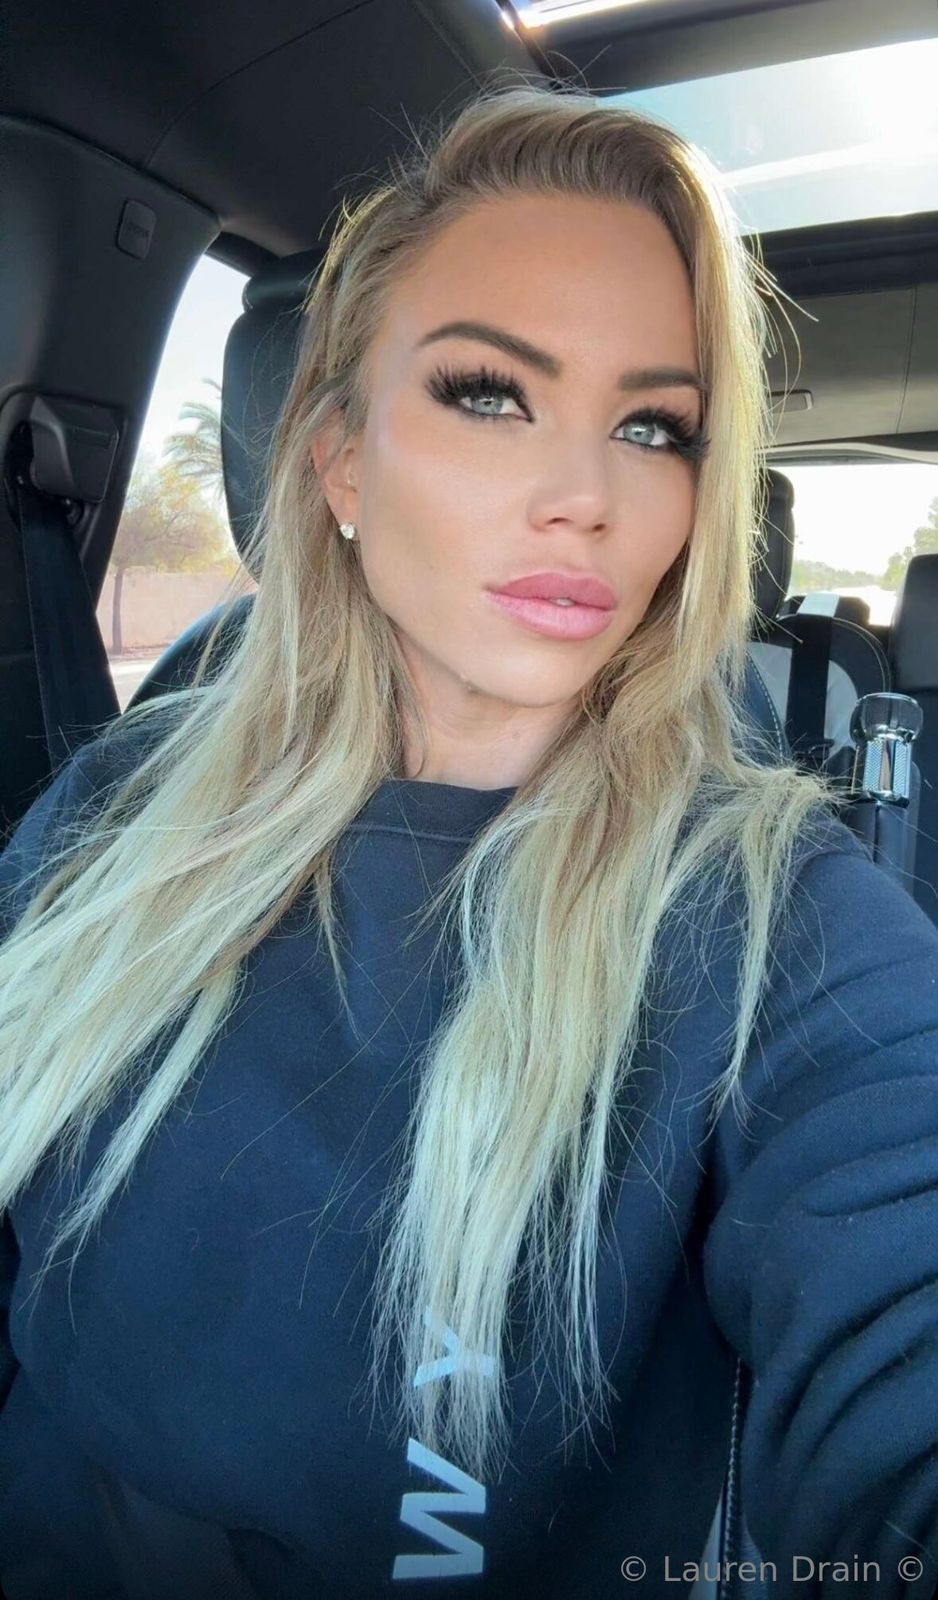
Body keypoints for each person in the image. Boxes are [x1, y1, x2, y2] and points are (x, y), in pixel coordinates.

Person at [1, 77, 937, 1600]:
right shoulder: (129, 798)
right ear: (338, 458)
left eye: (653, 427)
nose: (586, 498)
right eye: (491, 393)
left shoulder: (776, 923)